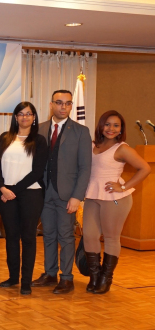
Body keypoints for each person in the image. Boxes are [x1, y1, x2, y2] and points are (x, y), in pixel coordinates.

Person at [83, 110, 151, 294]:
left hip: (114, 198)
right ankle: (95, 276)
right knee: (89, 235)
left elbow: (144, 168)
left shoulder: (122, 148)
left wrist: (124, 186)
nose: (111, 128)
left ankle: (106, 278)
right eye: (107, 124)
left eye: (116, 125)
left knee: (111, 237)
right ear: (100, 125)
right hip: (92, 195)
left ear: (121, 129)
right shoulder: (91, 145)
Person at [32, 90, 92, 294]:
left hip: (67, 195)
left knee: (65, 236)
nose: (63, 107)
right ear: (51, 104)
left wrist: (77, 196)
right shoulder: (38, 129)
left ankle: (66, 278)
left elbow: (85, 167)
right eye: (59, 102)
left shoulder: (81, 132)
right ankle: (50, 274)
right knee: (48, 234)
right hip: (42, 193)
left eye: (67, 103)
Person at [0, 102, 48, 295]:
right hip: (5, 194)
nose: (25, 117)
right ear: (15, 117)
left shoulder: (39, 141)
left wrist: (13, 190)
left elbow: (38, 171)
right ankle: (13, 277)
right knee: (11, 237)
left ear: (34, 118)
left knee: (28, 238)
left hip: (30, 194)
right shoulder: (5, 138)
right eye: (21, 114)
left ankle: (26, 281)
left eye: (29, 114)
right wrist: (2, 187)